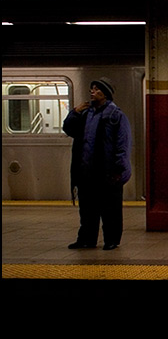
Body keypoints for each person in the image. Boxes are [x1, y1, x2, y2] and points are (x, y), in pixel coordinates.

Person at [63, 77, 132, 251]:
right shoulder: (85, 114)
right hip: (86, 172)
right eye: (91, 88)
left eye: (96, 89)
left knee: (110, 210)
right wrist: (74, 112)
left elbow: (123, 144)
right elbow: (68, 129)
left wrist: (119, 169)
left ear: (105, 93)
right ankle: (87, 238)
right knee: (87, 209)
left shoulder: (116, 116)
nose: (92, 92)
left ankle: (112, 240)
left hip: (108, 172)